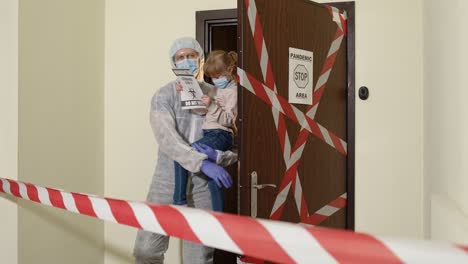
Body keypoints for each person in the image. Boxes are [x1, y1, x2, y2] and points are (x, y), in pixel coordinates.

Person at [133, 37, 238, 264]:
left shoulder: (215, 93)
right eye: (180, 57)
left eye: (191, 56)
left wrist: (218, 157)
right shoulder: (164, 95)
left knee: (199, 257)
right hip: (166, 182)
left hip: (201, 186)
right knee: (145, 250)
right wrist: (201, 161)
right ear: (173, 62)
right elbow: (166, 138)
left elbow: (230, 136)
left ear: (200, 60)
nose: (186, 60)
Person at [173, 50, 238, 212]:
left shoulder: (234, 92)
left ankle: (179, 201)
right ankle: (220, 215)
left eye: (218, 77)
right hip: (210, 134)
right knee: (211, 178)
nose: (215, 81)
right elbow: (203, 111)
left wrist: (212, 105)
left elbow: (229, 120)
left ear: (229, 70)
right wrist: (186, 94)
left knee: (183, 154)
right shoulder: (218, 90)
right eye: (212, 78)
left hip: (221, 135)